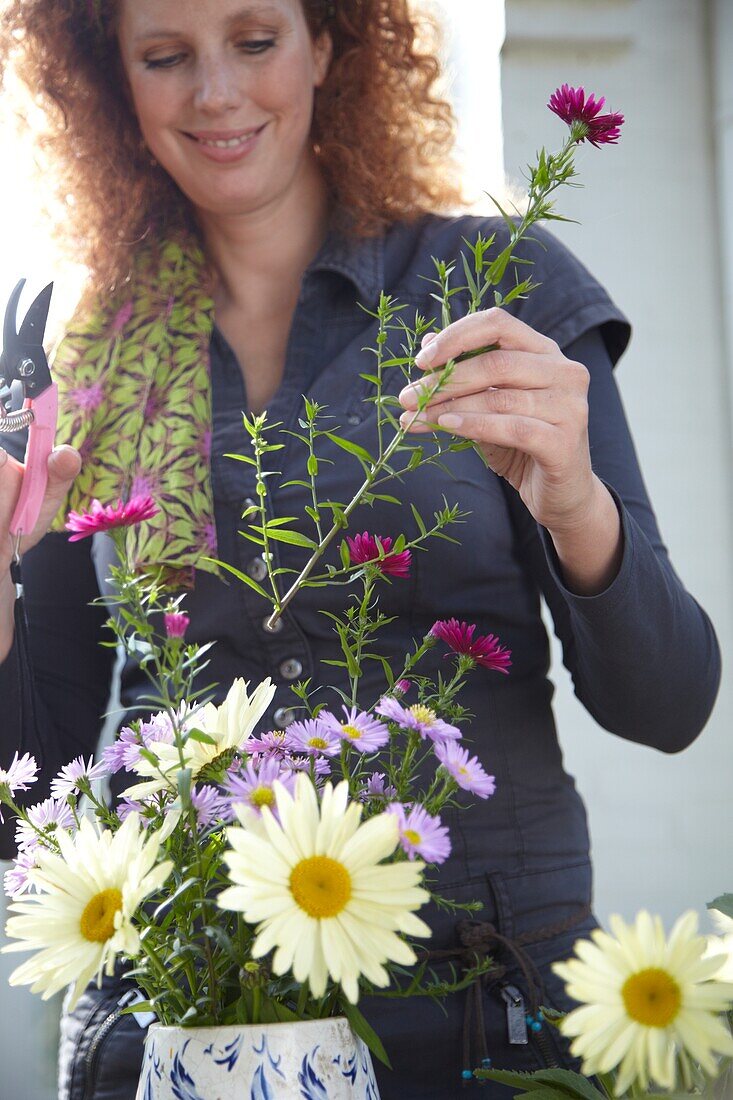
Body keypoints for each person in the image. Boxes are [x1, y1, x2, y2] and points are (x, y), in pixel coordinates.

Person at [0, 1, 721, 1097]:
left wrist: (576, 503)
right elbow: (32, 801)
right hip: (182, 1018)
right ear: (111, 82)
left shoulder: (494, 287)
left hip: (481, 1013)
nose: (216, 94)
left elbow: (667, 706)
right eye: (164, 56)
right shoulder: (82, 357)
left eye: (255, 39)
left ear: (329, 45)